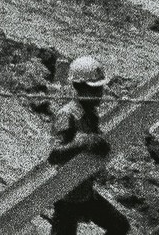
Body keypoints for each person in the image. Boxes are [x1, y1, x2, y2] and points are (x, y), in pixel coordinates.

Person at [46, 55, 128, 235]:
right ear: (79, 88)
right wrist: (81, 143)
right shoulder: (67, 115)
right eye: (94, 90)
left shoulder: (89, 114)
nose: (100, 94)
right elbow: (54, 155)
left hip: (84, 191)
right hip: (67, 196)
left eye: (100, 89)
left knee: (120, 225)